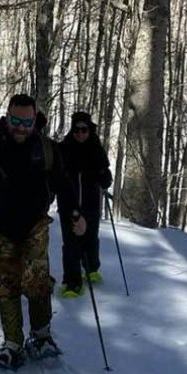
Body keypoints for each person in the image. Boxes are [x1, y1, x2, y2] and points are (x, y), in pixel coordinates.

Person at [0, 93, 86, 369]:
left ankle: (41, 336)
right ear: (7, 118)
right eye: (15, 120)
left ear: (34, 121)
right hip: (1, 227)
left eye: (26, 122)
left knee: (37, 280)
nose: (20, 127)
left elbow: (64, 186)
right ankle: (12, 343)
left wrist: (76, 215)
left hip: (35, 226)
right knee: (8, 286)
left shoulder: (46, 149)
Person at [58, 111, 113, 297]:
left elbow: (106, 177)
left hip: (91, 203)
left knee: (90, 237)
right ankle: (73, 282)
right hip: (69, 205)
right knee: (71, 243)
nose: (80, 133)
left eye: (84, 129)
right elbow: (55, 176)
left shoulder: (96, 148)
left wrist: (105, 177)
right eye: (77, 130)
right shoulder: (64, 149)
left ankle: (91, 268)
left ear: (90, 130)